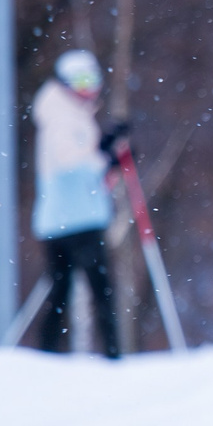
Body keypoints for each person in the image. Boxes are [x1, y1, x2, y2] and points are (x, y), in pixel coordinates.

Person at [31, 49, 125, 360]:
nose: (89, 87)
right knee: (99, 290)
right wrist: (104, 159)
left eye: (93, 79)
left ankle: (46, 355)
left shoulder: (66, 111)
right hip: (77, 219)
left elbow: (78, 153)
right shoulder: (61, 114)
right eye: (82, 81)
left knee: (61, 291)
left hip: (61, 217)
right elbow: (68, 159)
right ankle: (113, 355)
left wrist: (103, 147)